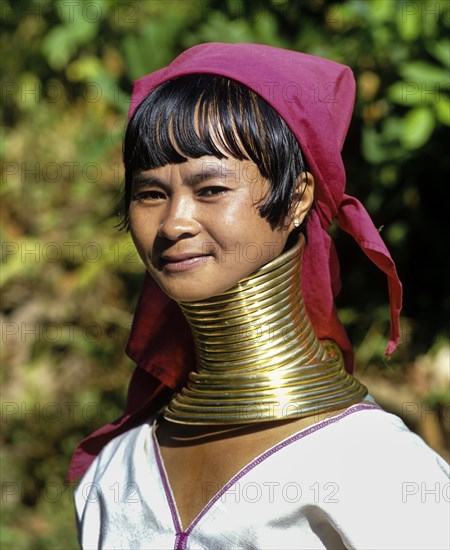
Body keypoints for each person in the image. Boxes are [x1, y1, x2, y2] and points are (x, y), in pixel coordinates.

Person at [71, 43, 449, 549]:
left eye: (210, 190)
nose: (174, 222)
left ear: (297, 199)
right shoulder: (117, 473)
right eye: (150, 193)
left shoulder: (377, 467)